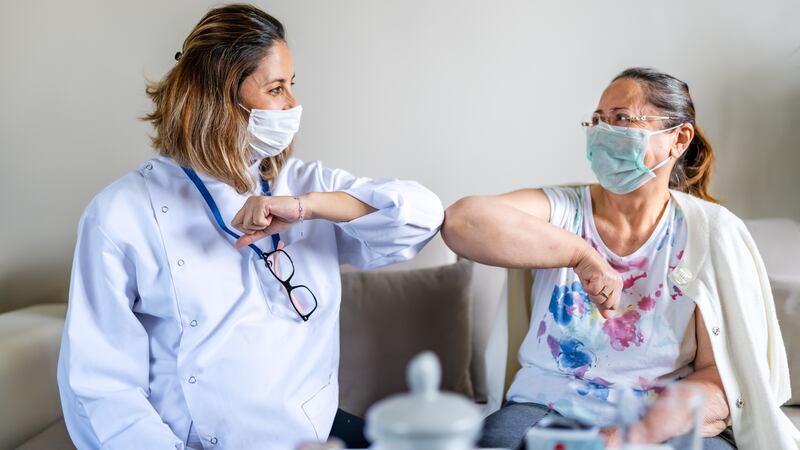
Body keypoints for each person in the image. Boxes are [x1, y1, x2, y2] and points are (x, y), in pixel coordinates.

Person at [57, 4, 443, 449]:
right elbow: (102, 386)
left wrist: (306, 207)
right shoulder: (121, 214)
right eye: (276, 88)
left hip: (310, 435)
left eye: (291, 86)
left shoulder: (302, 186)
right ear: (219, 97)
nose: (293, 105)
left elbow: (424, 216)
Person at [442, 68, 799, 450]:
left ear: (678, 138)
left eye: (622, 118)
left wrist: (627, 438)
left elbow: (718, 379)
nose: (603, 130)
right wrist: (580, 255)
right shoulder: (563, 210)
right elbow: (462, 221)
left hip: (663, 419)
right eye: (598, 119)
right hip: (546, 406)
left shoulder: (710, 232)